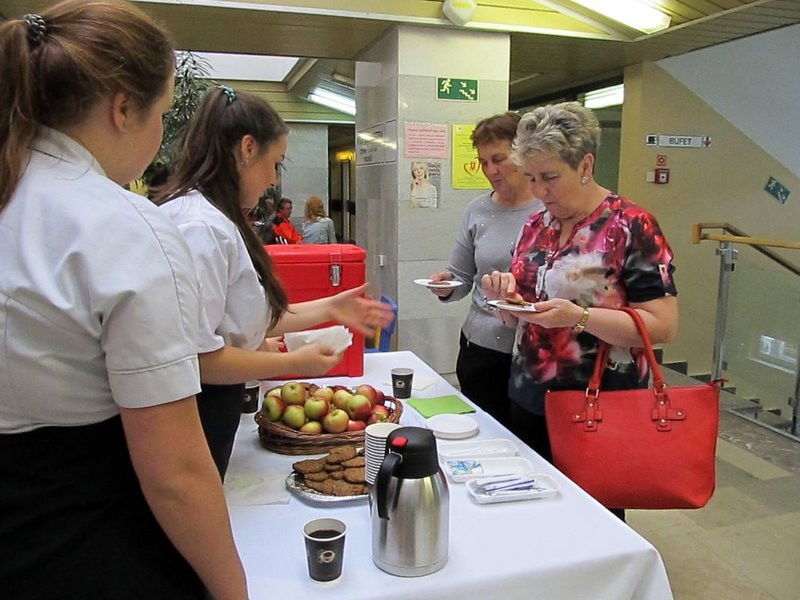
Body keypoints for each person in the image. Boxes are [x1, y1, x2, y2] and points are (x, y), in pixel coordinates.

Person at [0, 2, 246, 599]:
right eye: (163, 113)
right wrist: (233, 591)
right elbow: (176, 475)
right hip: (79, 538)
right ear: (125, 108)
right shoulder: (120, 223)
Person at [154, 87, 393, 478]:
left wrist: (331, 307)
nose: (271, 180)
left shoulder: (213, 216)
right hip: (198, 409)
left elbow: (241, 318)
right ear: (247, 149)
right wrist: (292, 362)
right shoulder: (201, 227)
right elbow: (198, 357)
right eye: (276, 163)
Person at [481, 102, 678, 517]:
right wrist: (509, 300)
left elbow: (662, 326)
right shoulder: (538, 224)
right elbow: (521, 314)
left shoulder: (631, 225)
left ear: (585, 164)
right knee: (534, 515)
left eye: (550, 177)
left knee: (592, 521)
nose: (539, 191)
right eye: (532, 178)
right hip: (530, 396)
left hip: (599, 406)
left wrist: (579, 317)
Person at [426, 112, 541, 428]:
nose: (490, 170)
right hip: (480, 350)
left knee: (527, 444)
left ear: (524, 153)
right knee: (481, 435)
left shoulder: (550, 209)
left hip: (533, 355)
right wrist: (447, 284)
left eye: (499, 159)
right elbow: (462, 274)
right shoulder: (478, 209)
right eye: (483, 162)